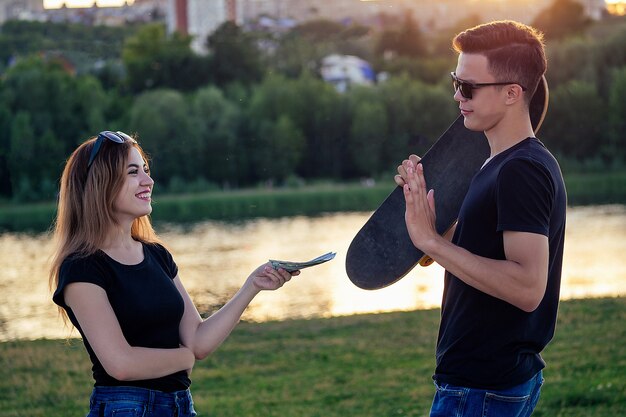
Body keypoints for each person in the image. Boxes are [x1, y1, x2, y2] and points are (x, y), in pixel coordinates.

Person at [49, 130, 300, 417]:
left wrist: (252, 286)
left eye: (146, 170)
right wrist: (183, 357)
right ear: (100, 185)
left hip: (180, 405)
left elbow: (198, 340)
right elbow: (121, 364)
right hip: (126, 408)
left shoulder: (157, 255)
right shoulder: (82, 267)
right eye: (133, 172)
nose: (148, 181)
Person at [394, 21, 566, 417]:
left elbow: (526, 287)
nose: (457, 95)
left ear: (511, 93)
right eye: (456, 81)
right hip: (478, 383)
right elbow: (481, 254)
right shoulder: (497, 163)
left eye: (469, 87)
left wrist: (432, 242)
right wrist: (428, 222)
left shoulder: (522, 170)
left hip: (484, 389)